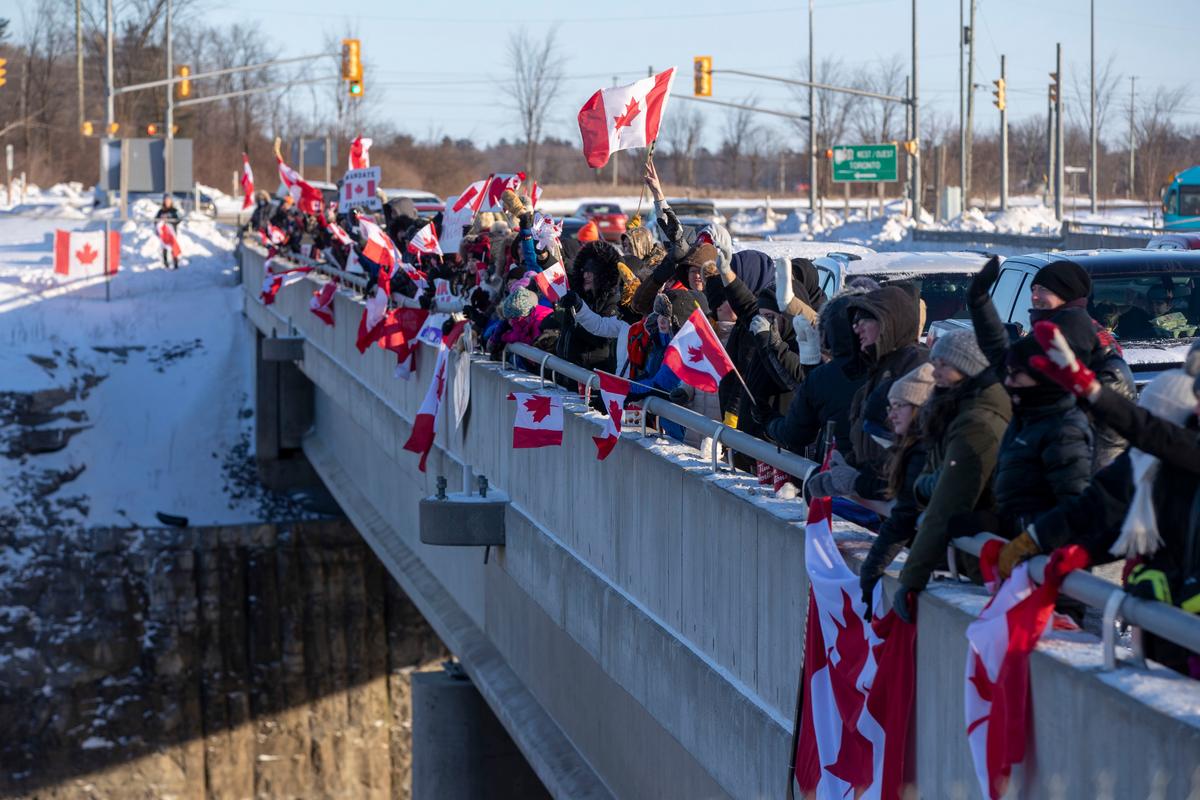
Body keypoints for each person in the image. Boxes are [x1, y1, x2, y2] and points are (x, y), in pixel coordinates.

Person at [1001, 333, 1200, 677]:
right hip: (1166, 620)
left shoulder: (1176, 453)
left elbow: (1147, 433)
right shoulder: (1157, 466)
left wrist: (1091, 390)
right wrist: (1082, 551)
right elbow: (1119, 519)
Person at [893, 329, 1013, 621]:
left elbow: (946, 505)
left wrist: (911, 578)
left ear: (968, 367)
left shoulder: (978, 423)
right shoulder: (954, 410)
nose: (935, 373)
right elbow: (933, 478)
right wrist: (932, 483)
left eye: (943, 364)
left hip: (987, 567)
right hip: (974, 560)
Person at [1028, 259, 1136, 468]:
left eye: (1042, 290)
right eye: (1033, 289)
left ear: (1065, 293)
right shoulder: (1046, 333)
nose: (1034, 296)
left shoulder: (1092, 341)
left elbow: (1101, 422)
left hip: (1090, 465)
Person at [856, 363, 936, 612]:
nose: (891, 415)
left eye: (899, 406)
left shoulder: (922, 451)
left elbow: (906, 512)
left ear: (919, 408)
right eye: (890, 407)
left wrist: (872, 567)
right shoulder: (912, 448)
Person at [843, 283, 929, 500]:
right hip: (874, 495)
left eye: (864, 320)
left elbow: (908, 443)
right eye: (854, 322)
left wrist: (863, 480)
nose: (856, 328)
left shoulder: (914, 365)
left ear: (889, 322)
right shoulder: (877, 370)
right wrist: (848, 464)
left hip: (896, 498)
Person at [764, 288, 871, 460]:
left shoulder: (829, 377)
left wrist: (769, 422)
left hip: (840, 473)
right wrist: (812, 367)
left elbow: (796, 433)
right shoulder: (894, 365)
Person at [155, 195, 181, 269]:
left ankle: (175, 263)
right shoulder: (161, 211)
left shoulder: (174, 211)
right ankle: (166, 263)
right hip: (164, 233)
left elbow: (179, 219)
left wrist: (170, 221)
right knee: (164, 247)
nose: (167, 202)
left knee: (173, 246)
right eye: (166, 201)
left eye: (168, 200)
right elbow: (156, 220)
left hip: (172, 232)